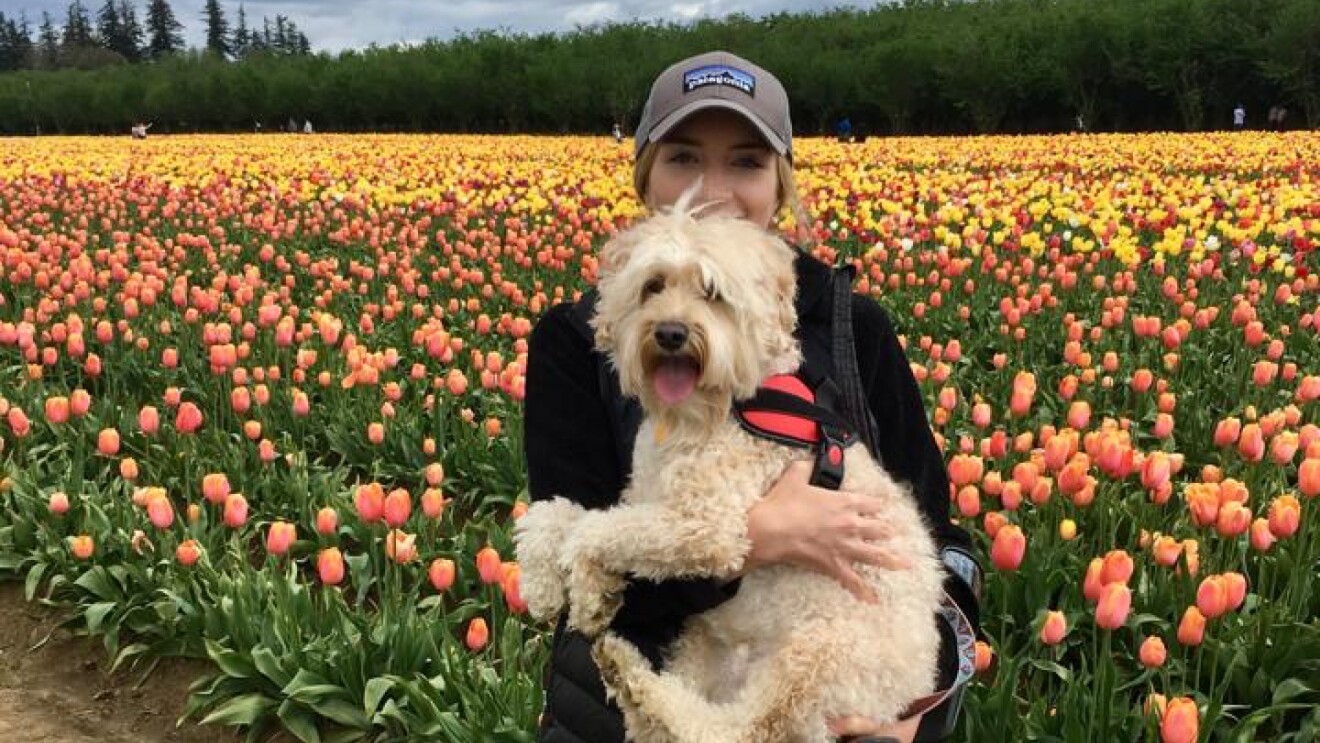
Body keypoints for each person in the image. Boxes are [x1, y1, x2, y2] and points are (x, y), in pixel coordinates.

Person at [525, 50, 981, 743]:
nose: (712, 190)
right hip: (635, 707)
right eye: (682, 157)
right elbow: (579, 591)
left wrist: (912, 701)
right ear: (645, 173)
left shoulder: (854, 327)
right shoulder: (578, 340)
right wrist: (755, 539)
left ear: (781, 184)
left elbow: (947, 554)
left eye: (745, 162)